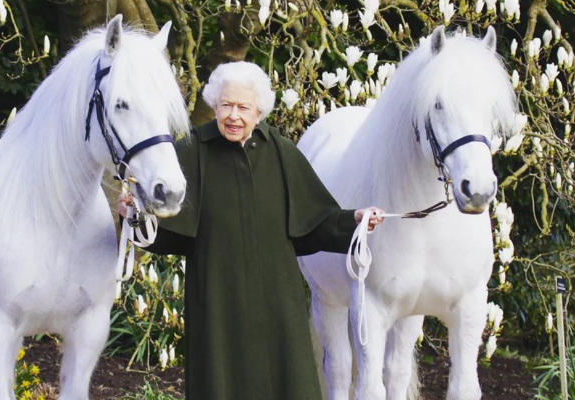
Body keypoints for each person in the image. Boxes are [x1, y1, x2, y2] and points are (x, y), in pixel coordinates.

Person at [119, 61, 384, 400]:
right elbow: (166, 227)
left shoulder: (280, 151)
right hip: (216, 300)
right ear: (215, 105)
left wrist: (355, 219)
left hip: (278, 302)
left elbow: (315, 222)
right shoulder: (192, 151)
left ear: (259, 111)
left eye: (243, 107)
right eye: (226, 105)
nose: (233, 115)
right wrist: (135, 215)